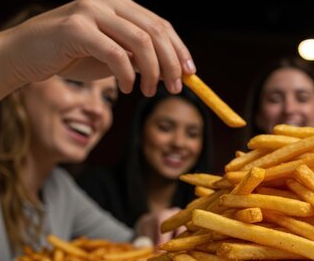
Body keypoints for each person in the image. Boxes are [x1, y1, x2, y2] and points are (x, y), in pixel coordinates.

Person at [0, 0, 196, 261]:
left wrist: (148, 225)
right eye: (75, 83)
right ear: (18, 84)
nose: (96, 110)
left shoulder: (59, 189)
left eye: (108, 98)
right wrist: (12, 54)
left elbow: (129, 244)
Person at [77, 83, 213, 231]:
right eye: (165, 127)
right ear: (140, 132)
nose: (178, 143)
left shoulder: (209, 205)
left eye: (192, 134)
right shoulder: (95, 188)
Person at [243, 57, 314, 138]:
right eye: (275, 99)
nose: (289, 109)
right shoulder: (236, 158)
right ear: (258, 116)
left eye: (302, 98)